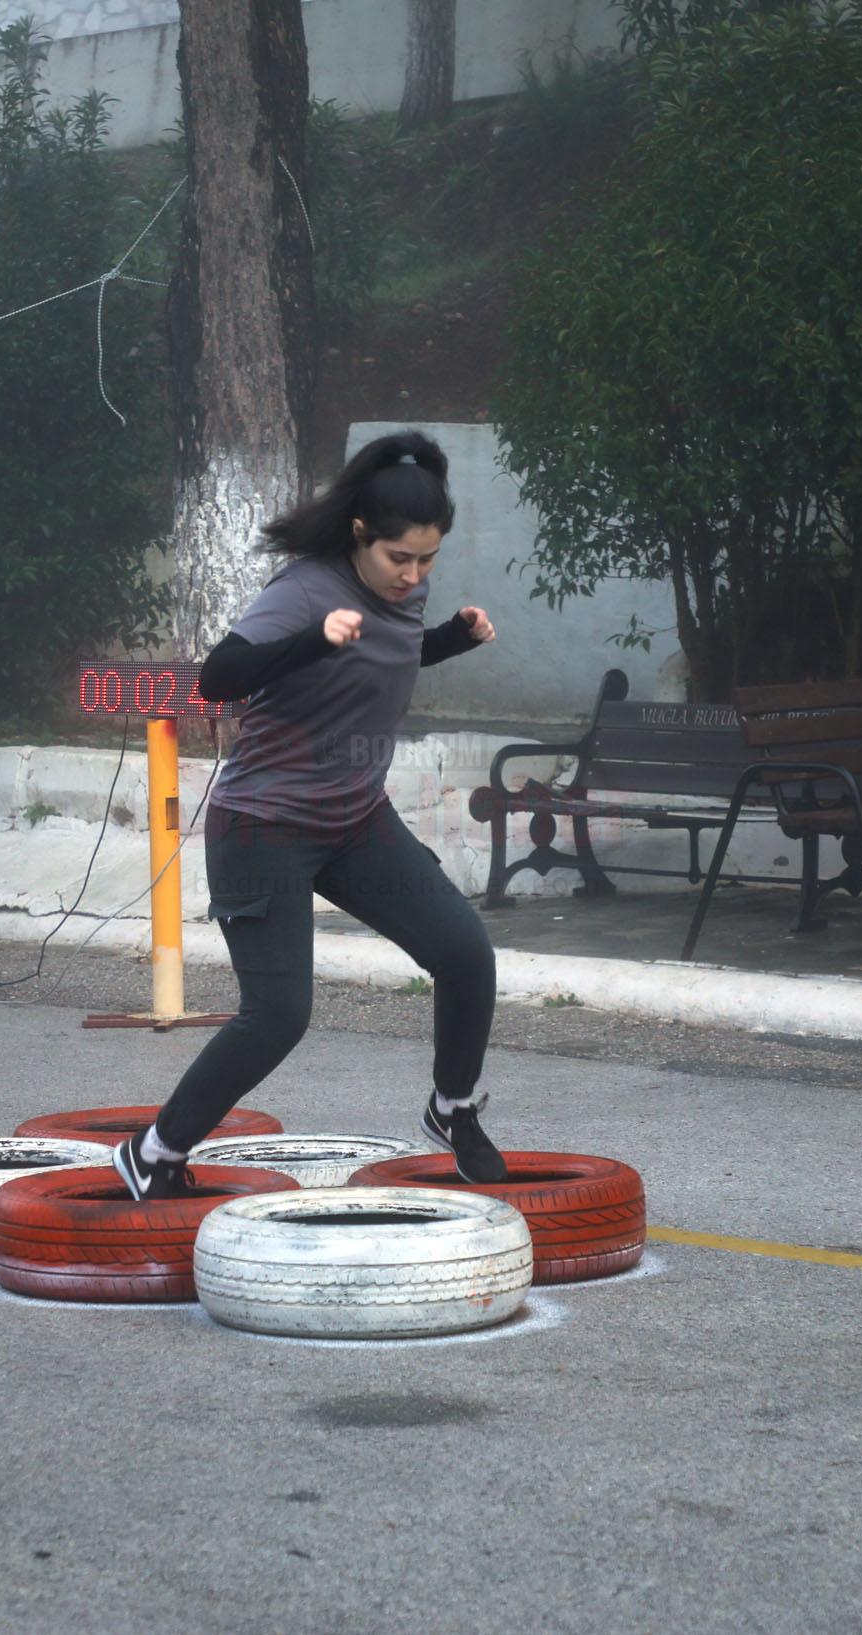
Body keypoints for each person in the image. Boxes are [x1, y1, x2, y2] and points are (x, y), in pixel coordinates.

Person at [113, 431, 505, 1200]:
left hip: (356, 819)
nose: (415, 574)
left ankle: (449, 1105)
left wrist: (450, 641)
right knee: (279, 1014)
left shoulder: (403, 587)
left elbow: (385, 654)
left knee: (465, 954)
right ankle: (154, 1151)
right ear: (361, 531)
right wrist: (308, 642)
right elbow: (220, 678)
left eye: (427, 559)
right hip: (263, 825)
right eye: (401, 559)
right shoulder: (304, 591)